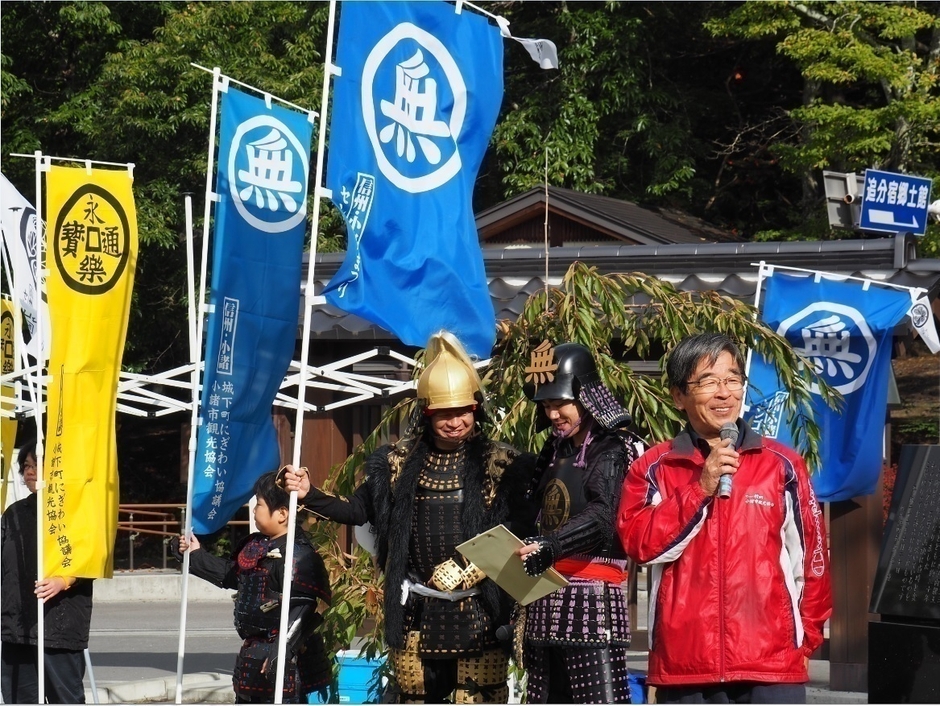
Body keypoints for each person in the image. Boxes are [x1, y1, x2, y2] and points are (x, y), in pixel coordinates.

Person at [280, 330, 536, 704]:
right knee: (413, 696)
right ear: (427, 414)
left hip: (481, 608)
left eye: (462, 411)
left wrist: (468, 567)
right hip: (417, 607)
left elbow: (519, 530)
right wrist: (309, 494)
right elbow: (356, 509)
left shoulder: (504, 464)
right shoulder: (396, 464)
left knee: (479, 697)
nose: (455, 422)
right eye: (444, 414)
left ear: (476, 410)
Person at [616, 332, 832, 704]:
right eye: (708, 382)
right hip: (684, 665)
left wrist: (802, 639)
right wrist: (700, 487)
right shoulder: (654, 467)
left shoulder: (782, 464)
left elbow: (812, 561)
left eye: (733, 380)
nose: (724, 393)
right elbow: (639, 545)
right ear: (678, 396)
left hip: (771, 665)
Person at [515, 341, 644, 704]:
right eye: (546, 405)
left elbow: (605, 515)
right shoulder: (554, 451)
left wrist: (551, 546)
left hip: (593, 601)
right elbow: (539, 515)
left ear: (586, 397)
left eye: (559, 403)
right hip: (544, 596)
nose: (552, 414)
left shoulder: (614, 448)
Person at [172, 470, 332, 704]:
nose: (255, 509)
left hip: (286, 658)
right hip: (254, 655)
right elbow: (231, 575)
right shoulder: (256, 546)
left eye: (259, 504)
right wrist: (194, 555)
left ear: (282, 513)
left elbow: (308, 607)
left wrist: (283, 649)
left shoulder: (299, 554)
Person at [1, 443, 94, 704]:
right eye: (26, 466)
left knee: (64, 697)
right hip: (16, 624)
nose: (29, 472)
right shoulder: (14, 513)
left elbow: (94, 556)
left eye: (35, 465)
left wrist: (64, 580)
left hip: (58, 624)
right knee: (19, 698)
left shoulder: (74, 510)